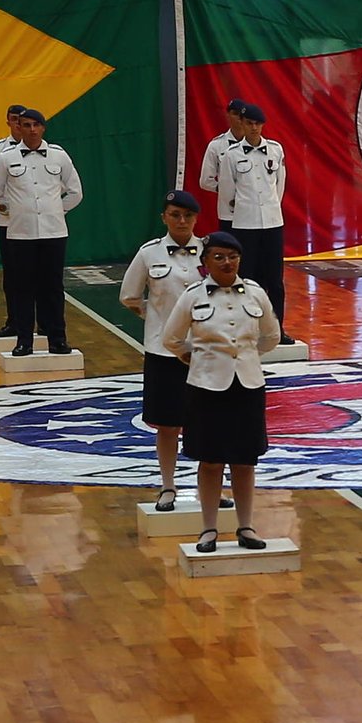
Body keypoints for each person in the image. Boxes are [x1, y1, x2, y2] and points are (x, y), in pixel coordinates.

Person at [153, 231, 286, 555]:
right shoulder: (192, 296)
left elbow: (271, 336)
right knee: (210, 461)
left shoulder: (255, 293)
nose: (227, 263)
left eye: (233, 257)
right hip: (206, 388)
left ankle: (246, 526)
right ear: (206, 262)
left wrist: (245, 357)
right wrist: (194, 358)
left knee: (245, 460)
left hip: (248, 387)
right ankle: (209, 528)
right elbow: (171, 338)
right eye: (219, 257)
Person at [119, 192, 214, 513]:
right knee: (167, 424)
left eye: (188, 215)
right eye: (175, 214)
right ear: (164, 217)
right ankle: (168, 486)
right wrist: (159, 321)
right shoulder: (149, 253)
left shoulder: (211, 251)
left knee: (209, 422)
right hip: (163, 352)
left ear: (196, 218)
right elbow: (129, 296)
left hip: (206, 349)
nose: (182, 221)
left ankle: (211, 487)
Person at [0, 107, 79, 356]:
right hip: (20, 233)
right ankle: (24, 341)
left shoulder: (58, 155)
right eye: (26, 125)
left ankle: (57, 339)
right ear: (19, 128)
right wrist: (12, 212)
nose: (32, 130)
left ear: (43, 127)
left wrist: (56, 210)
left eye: (36, 125)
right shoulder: (5, 157)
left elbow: (75, 191)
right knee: (22, 288)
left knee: (53, 287)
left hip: (54, 232)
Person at [198, 99, 293, 340]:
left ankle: (277, 329)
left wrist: (270, 207)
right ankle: (247, 327)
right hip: (244, 222)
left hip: (272, 222)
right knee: (247, 278)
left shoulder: (275, 149)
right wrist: (243, 208)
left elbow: (279, 184)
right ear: (242, 122)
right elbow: (228, 190)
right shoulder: (230, 154)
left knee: (275, 280)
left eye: (257, 124)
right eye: (249, 123)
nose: (253, 128)